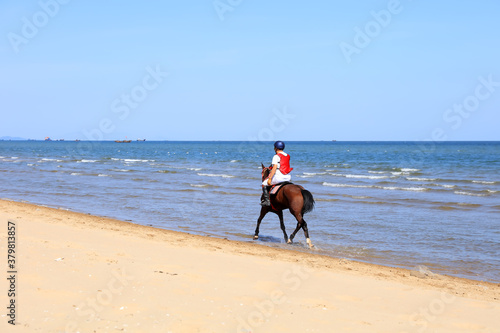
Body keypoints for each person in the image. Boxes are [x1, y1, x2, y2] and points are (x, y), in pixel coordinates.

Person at [261, 141, 293, 206]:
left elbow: (274, 168)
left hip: (279, 177)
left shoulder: (276, 156)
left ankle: (267, 201)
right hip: (287, 177)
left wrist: (270, 178)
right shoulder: (288, 155)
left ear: (276, 148)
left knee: (264, 184)